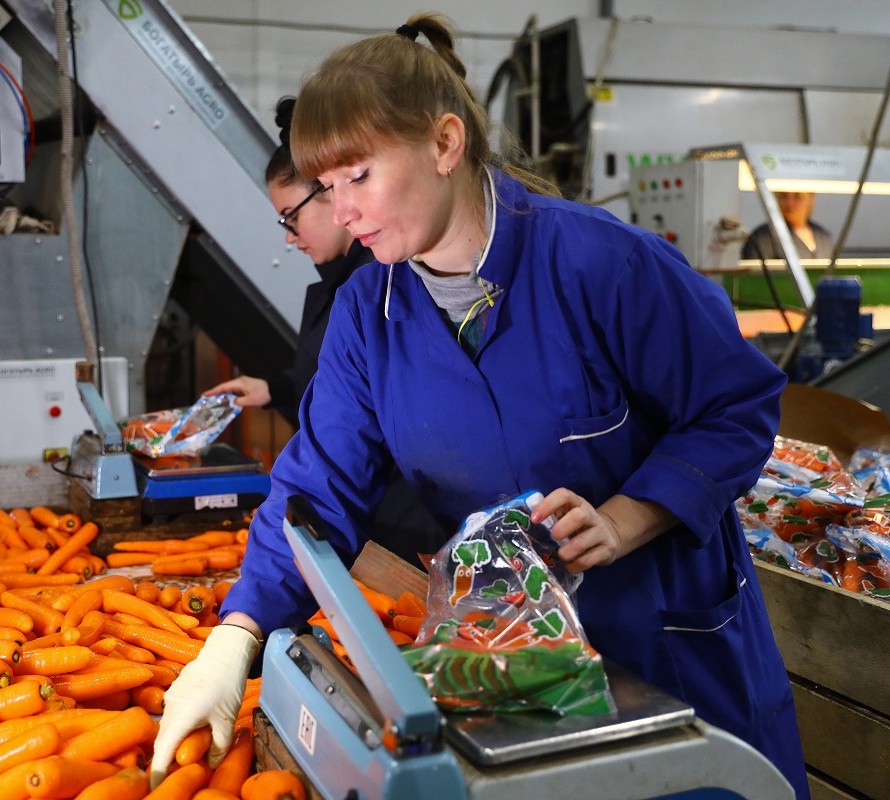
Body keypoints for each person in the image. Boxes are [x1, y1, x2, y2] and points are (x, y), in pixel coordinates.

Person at [151, 14, 809, 800]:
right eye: (327, 189)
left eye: (358, 176)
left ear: (444, 144)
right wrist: (236, 635)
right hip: (507, 655)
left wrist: (627, 517)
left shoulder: (603, 265)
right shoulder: (370, 311)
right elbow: (315, 487)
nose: (344, 210)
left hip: (666, 642)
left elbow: (736, 404)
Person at [205, 97, 445, 568]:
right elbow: (339, 392)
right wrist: (274, 389)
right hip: (363, 519)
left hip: (408, 525)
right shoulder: (342, 290)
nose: (290, 236)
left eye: (291, 217)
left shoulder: (389, 284)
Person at [743, 190, 834, 261]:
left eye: (798, 196)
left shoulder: (824, 238)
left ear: (811, 198)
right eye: (783, 196)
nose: (789, 203)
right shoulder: (763, 238)